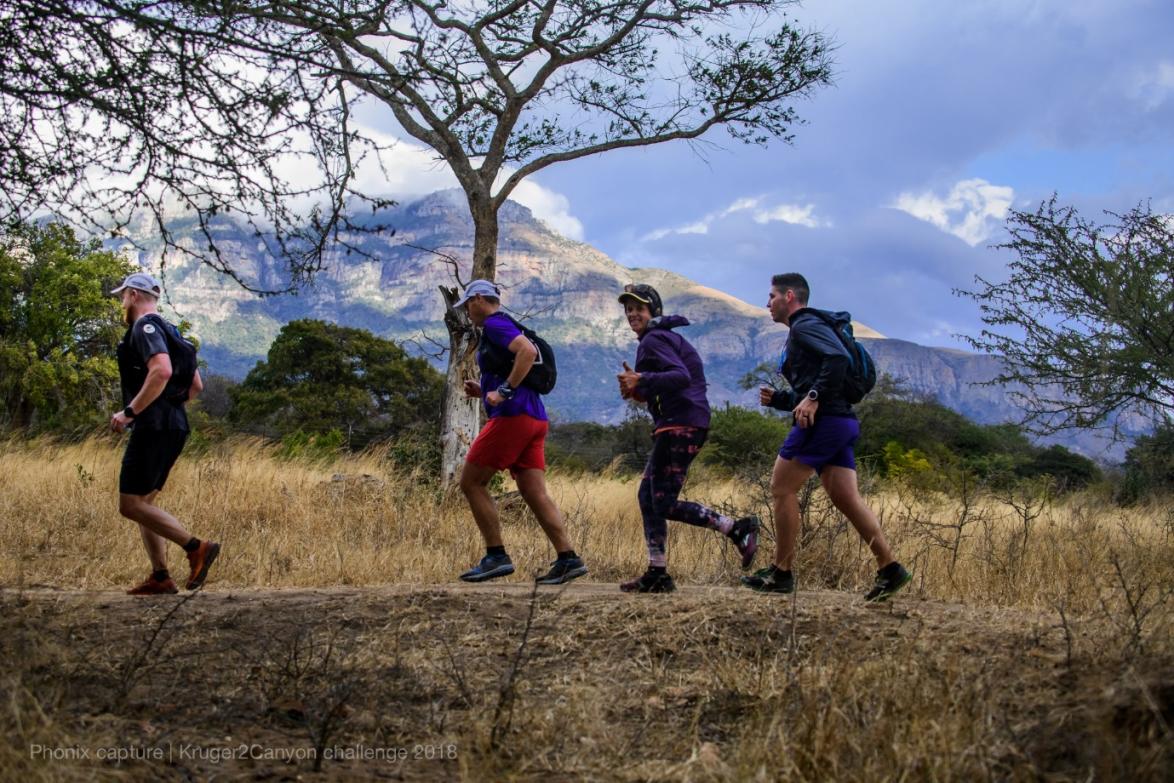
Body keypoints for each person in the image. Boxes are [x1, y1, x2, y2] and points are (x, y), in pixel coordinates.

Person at [744, 273, 911, 601]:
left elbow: (837, 358)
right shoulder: (807, 329)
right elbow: (815, 386)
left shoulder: (804, 325)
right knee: (846, 499)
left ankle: (781, 572)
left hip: (825, 424)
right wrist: (782, 399)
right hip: (840, 421)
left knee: (781, 487)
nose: (767, 303)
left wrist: (814, 395)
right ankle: (890, 568)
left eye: (772, 296)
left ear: (789, 296)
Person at [616, 283, 759, 593]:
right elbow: (668, 383)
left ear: (653, 311)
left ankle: (736, 528)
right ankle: (657, 572)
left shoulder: (654, 339)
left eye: (638, 308)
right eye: (628, 309)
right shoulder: (661, 339)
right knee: (647, 498)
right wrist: (638, 390)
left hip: (681, 424)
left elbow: (680, 376)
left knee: (663, 502)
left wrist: (642, 379)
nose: (632, 314)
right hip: (679, 422)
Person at [455, 279, 588, 585]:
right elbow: (517, 361)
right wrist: (485, 389)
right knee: (534, 492)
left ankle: (496, 556)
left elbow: (526, 352)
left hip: (513, 417)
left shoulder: (494, 324)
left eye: (467, 306)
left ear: (477, 299)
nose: (467, 313)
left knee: (471, 483)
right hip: (535, 418)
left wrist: (503, 391)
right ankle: (568, 558)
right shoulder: (504, 324)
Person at [109, 272, 220, 595]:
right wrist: (170, 406)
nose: (122, 302)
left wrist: (130, 412)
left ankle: (196, 547)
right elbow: (195, 386)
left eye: (122, 296)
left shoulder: (143, 329)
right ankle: (160, 576)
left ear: (132, 295)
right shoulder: (174, 333)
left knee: (130, 505)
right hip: (175, 424)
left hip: (152, 426)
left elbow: (162, 370)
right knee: (146, 503)